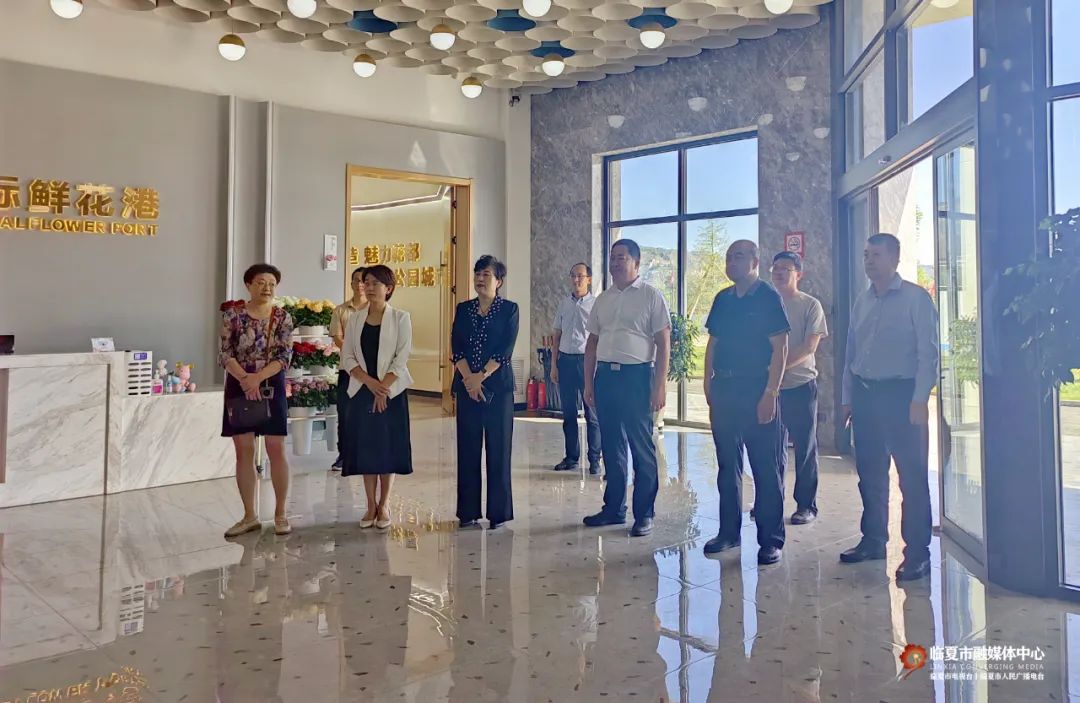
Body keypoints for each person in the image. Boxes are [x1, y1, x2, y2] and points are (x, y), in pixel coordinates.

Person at [840, 233, 939, 582]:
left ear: (895, 259)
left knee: (911, 478)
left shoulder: (916, 299)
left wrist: (919, 399)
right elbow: (851, 353)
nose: (869, 261)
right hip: (866, 395)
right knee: (870, 474)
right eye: (866, 255)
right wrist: (847, 399)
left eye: (876, 255)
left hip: (903, 396)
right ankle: (873, 540)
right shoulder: (862, 301)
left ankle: (917, 554)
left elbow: (928, 354)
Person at [702, 240, 790, 565]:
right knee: (728, 466)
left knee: (765, 467)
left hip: (757, 388)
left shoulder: (768, 296)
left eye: (738, 256)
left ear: (754, 261)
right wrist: (707, 381)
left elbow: (780, 347)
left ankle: (770, 540)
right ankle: (728, 532)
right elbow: (713, 342)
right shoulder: (723, 298)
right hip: (725, 388)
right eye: (728, 257)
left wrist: (770, 393)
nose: (731, 262)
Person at [582, 239, 671, 538]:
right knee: (611, 446)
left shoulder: (650, 296)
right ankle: (614, 509)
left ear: (636, 262)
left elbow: (663, 343)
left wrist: (659, 386)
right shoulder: (603, 299)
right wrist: (588, 383)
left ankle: (644, 513)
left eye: (622, 257)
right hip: (606, 378)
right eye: (613, 257)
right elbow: (592, 343)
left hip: (637, 378)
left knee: (641, 446)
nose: (616, 262)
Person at [220, 263, 295, 537]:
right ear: (249, 285)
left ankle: (280, 513)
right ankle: (249, 515)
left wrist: (258, 378)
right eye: (261, 282)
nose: (267, 288)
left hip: (271, 382)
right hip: (239, 383)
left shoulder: (283, 317)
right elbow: (225, 353)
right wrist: (245, 379)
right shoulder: (233, 315)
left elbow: (284, 357)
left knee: (276, 448)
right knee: (244, 450)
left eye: (272, 284)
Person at [340, 264, 414, 530]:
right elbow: (347, 356)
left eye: (375, 283)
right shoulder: (355, 319)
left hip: (392, 393)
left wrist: (383, 388)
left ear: (388, 288)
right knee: (367, 448)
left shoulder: (400, 318)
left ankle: (384, 505)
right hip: (362, 391)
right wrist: (371, 384)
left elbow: (401, 358)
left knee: (387, 448)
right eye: (366, 283)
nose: (369, 288)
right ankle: (370, 504)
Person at [451, 255, 520, 530]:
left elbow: (505, 350)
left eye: (486, 275)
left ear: (498, 281)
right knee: (467, 448)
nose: (480, 279)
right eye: (477, 274)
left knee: (499, 449)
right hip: (467, 387)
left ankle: (498, 513)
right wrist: (469, 380)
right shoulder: (463, 309)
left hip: (498, 389)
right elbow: (456, 347)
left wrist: (480, 376)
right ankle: (467, 511)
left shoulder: (509, 310)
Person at [770, 251, 828, 524]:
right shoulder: (766, 304)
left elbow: (809, 347)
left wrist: (778, 370)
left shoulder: (810, 305)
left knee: (804, 448)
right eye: (775, 268)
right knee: (771, 448)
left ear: (798, 274)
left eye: (786, 268)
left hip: (801, 386)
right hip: (771, 389)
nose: (779, 272)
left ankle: (806, 506)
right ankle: (771, 501)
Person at [551, 262, 602, 475]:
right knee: (569, 414)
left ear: (589, 279)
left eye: (580, 276)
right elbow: (556, 335)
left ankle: (595, 460)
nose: (576, 279)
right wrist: (554, 365)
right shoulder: (564, 304)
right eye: (573, 275)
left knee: (592, 414)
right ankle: (571, 457)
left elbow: (600, 337)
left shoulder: (596, 305)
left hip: (586, 362)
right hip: (565, 361)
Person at [329, 266, 368, 471]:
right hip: (348, 369)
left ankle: (367, 453)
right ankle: (344, 455)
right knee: (345, 414)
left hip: (371, 372)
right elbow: (338, 338)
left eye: (364, 281)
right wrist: (354, 355)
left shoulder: (377, 310)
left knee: (368, 413)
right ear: (351, 283)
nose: (360, 285)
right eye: (356, 280)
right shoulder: (341, 311)